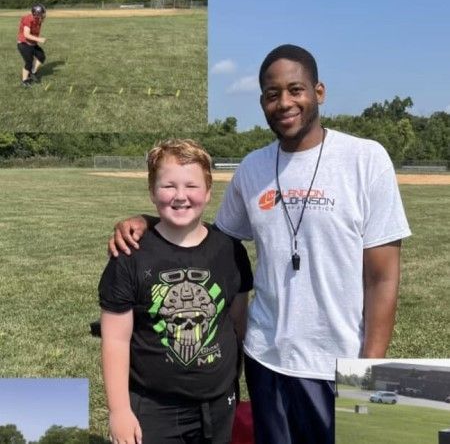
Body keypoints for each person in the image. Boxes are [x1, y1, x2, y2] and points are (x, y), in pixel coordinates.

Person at [108, 45, 411, 444]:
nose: (284, 102)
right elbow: (209, 237)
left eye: (295, 89)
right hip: (267, 359)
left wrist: (370, 370)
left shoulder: (365, 159)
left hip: (339, 363)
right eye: (272, 94)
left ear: (318, 92)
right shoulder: (253, 168)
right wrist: (147, 221)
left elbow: (383, 278)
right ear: (262, 102)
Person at [99, 139, 253, 444]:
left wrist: (232, 385)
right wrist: (119, 411)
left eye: (191, 186)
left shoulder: (230, 252)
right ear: (152, 191)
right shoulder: (130, 255)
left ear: (209, 191)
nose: (180, 196)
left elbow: (238, 326)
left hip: (219, 402)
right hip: (154, 406)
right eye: (168, 186)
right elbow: (115, 340)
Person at [17, 3, 47, 88]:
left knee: (41, 56)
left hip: (32, 43)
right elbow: (26, 34)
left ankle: (32, 73)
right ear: (36, 13)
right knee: (29, 62)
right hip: (24, 43)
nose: (43, 15)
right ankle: (25, 81)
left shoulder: (38, 19)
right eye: (42, 13)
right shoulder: (28, 19)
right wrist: (39, 39)